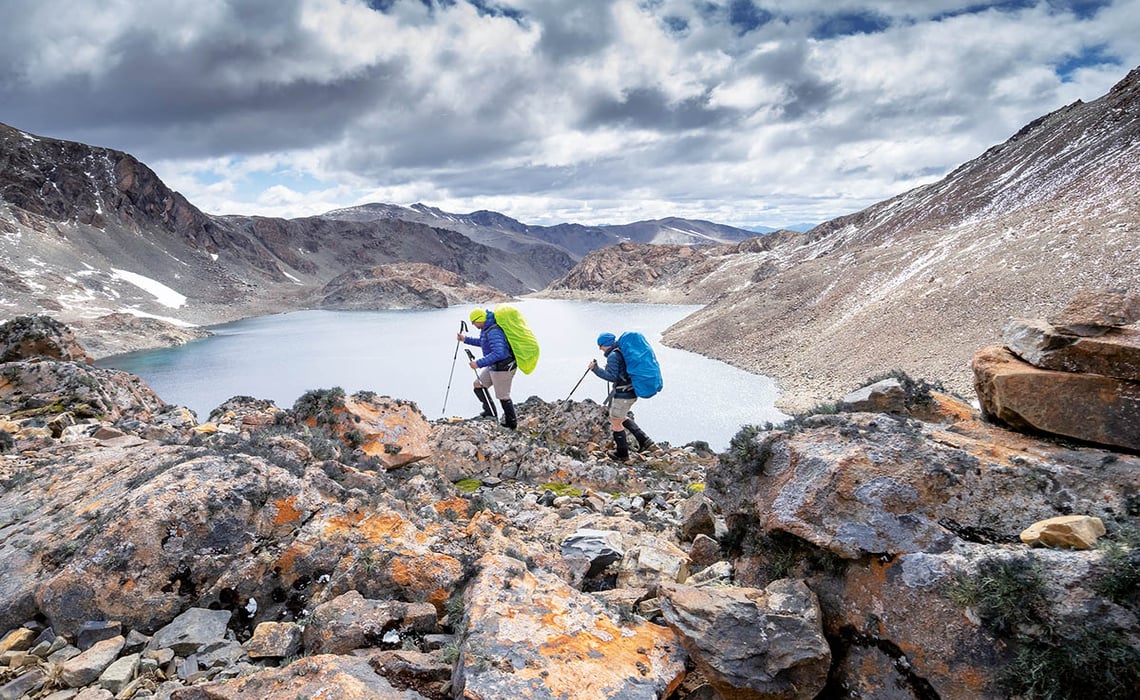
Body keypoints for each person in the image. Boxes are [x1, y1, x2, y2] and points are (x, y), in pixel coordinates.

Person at [588, 332, 656, 462]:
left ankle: (622, 453)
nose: (600, 348)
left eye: (600, 345)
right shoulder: (621, 352)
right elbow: (620, 372)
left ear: (606, 344)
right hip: (631, 392)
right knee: (621, 417)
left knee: (615, 421)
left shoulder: (613, 356)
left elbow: (612, 377)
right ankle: (645, 441)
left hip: (623, 394)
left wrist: (595, 369)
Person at [458, 308, 518, 429]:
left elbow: (499, 353)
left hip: (503, 367)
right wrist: (465, 339)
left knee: (503, 396)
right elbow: (483, 342)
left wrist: (478, 363)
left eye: (474, 322)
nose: (473, 325)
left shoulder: (494, 331)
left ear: (480, 320)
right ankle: (490, 412)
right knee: (478, 385)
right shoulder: (487, 329)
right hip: (494, 365)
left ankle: (511, 424)